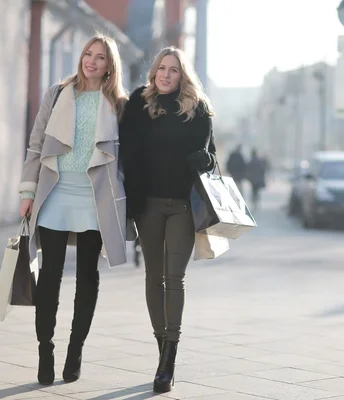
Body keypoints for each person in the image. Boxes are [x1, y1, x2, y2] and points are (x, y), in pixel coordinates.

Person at [19, 34, 128, 385]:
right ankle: (45, 349)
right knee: (50, 276)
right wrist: (28, 191)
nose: (91, 61)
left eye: (99, 57)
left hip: (94, 198)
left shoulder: (118, 104)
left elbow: (128, 158)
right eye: (87, 54)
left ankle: (75, 350)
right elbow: (37, 145)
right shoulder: (58, 93)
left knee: (88, 278)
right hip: (56, 192)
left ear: (110, 66)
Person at [118, 46, 216, 393]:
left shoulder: (198, 109)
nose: (166, 74)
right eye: (162, 67)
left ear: (182, 75)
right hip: (149, 204)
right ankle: (163, 349)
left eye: (173, 69)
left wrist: (203, 159)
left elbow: (211, 161)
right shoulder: (138, 106)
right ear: (154, 71)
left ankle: (169, 356)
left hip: (183, 206)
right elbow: (126, 154)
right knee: (153, 277)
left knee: (175, 277)